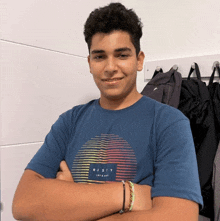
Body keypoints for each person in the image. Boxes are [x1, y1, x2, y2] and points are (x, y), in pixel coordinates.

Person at [12, 2, 203, 221]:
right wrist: (130, 194)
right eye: (100, 56)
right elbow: (23, 203)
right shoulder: (70, 122)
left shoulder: (169, 123)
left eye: (122, 55)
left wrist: (70, 202)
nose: (110, 67)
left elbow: (180, 216)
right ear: (90, 63)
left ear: (139, 60)